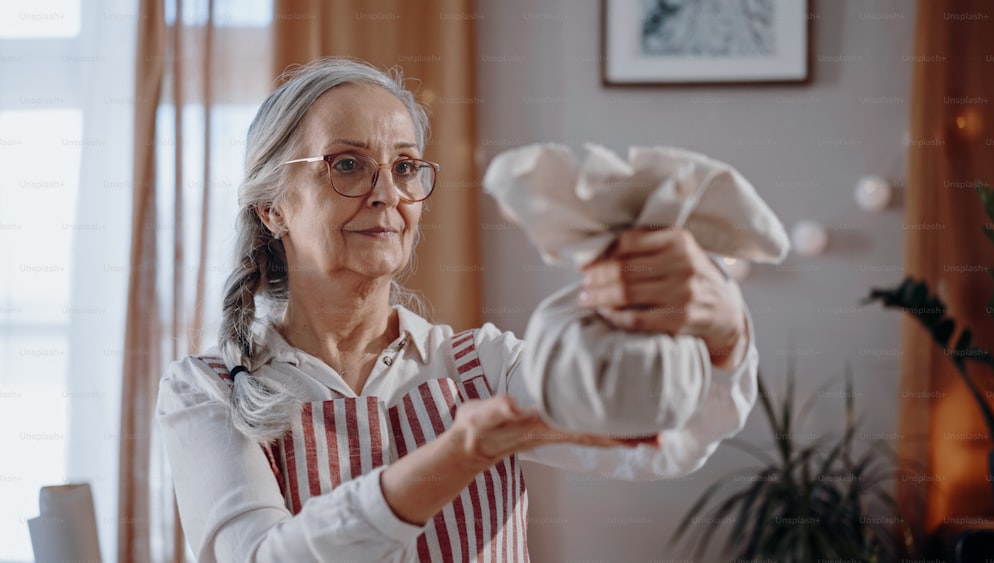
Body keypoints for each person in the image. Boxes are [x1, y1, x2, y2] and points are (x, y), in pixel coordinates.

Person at [156, 57, 758, 563]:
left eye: (405, 167)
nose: (388, 193)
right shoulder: (205, 391)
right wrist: (459, 453)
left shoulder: (485, 367)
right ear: (273, 209)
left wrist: (724, 337)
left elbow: (665, 440)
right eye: (347, 163)